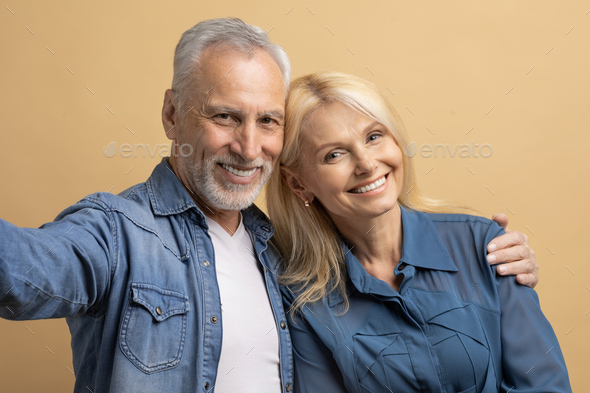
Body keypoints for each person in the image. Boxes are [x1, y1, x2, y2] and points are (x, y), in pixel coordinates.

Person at [1, 18, 538, 393]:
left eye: (268, 121)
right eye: (225, 117)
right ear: (171, 115)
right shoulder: (117, 233)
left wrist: (488, 261)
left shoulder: (283, 254)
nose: (249, 148)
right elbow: (23, 271)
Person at [267, 71, 571, 392]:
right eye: (334, 154)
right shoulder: (300, 297)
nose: (367, 164)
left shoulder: (485, 245)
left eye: (374, 136)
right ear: (298, 184)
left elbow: (545, 385)